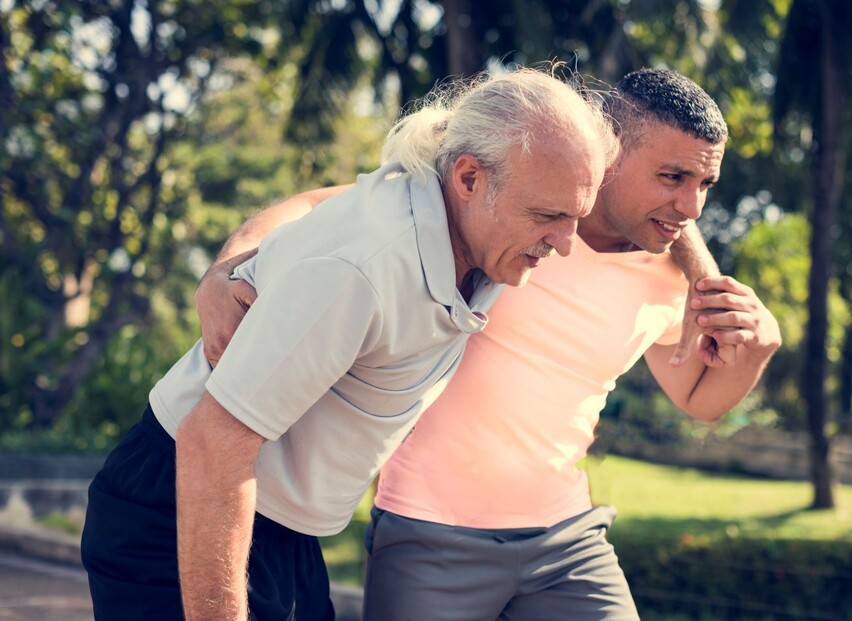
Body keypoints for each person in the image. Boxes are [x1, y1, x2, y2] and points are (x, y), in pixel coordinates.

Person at [198, 69, 782, 620]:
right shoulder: (500, 203)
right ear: (609, 153)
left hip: (566, 538)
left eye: (705, 183)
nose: (693, 205)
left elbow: (699, 398)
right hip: (426, 531)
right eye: (672, 177)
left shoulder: (671, 273)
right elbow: (312, 207)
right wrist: (225, 267)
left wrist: (757, 348)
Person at [79, 67, 621, 621]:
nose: (565, 244)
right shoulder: (363, 269)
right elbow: (212, 442)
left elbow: (316, 200)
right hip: (182, 504)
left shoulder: (459, 217)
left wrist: (700, 268)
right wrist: (224, 271)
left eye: (574, 216)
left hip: (280, 525)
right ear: (468, 179)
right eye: (548, 217)